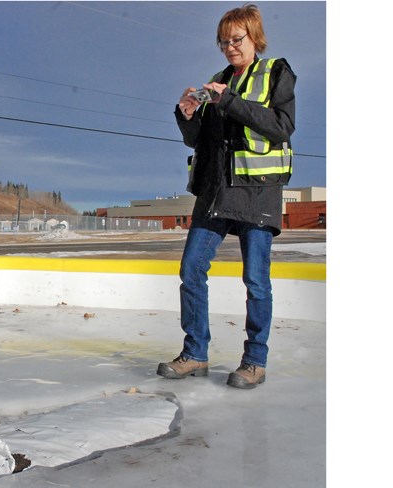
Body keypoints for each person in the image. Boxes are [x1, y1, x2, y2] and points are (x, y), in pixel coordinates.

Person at [156, 4, 296, 389]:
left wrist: (229, 100)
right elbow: (202, 140)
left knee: (255, 280)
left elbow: (281, 128)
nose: (229, 47)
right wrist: (187, 115)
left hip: (256, 193)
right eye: (223, 41)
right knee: (191, 270)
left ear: (254, 38)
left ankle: (255, 361)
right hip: (216, 192)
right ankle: (195, 353)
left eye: (237, 39)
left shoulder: (276, 73)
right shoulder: (217, 79)